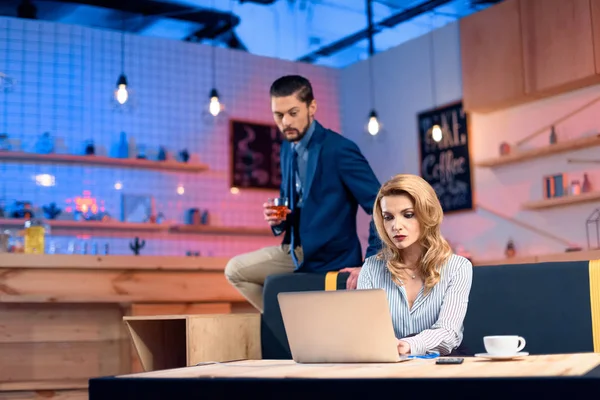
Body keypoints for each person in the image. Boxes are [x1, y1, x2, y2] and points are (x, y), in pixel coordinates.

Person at [225, 75, 381, 312]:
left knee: (238, 272)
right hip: (295, 251)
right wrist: (279, 220)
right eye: (278, 115)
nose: (285, 121)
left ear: (312, 107)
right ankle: (287, 324)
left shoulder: (339, 150)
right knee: (235, 271)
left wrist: (370, 265)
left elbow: (382, 207)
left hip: (332, 258)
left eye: (293, 112)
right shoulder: (288, 147)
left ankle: (287, 324)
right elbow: (297, 205)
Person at [357, 174, 473, 356]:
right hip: (388, 368)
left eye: (408, 215)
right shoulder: (371, 268)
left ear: (428, 214)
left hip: (442, 366)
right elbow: (364, 332)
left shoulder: (458, 267)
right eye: (388, 217)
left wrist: (407, 345)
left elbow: (448, 333)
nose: (396, 226)